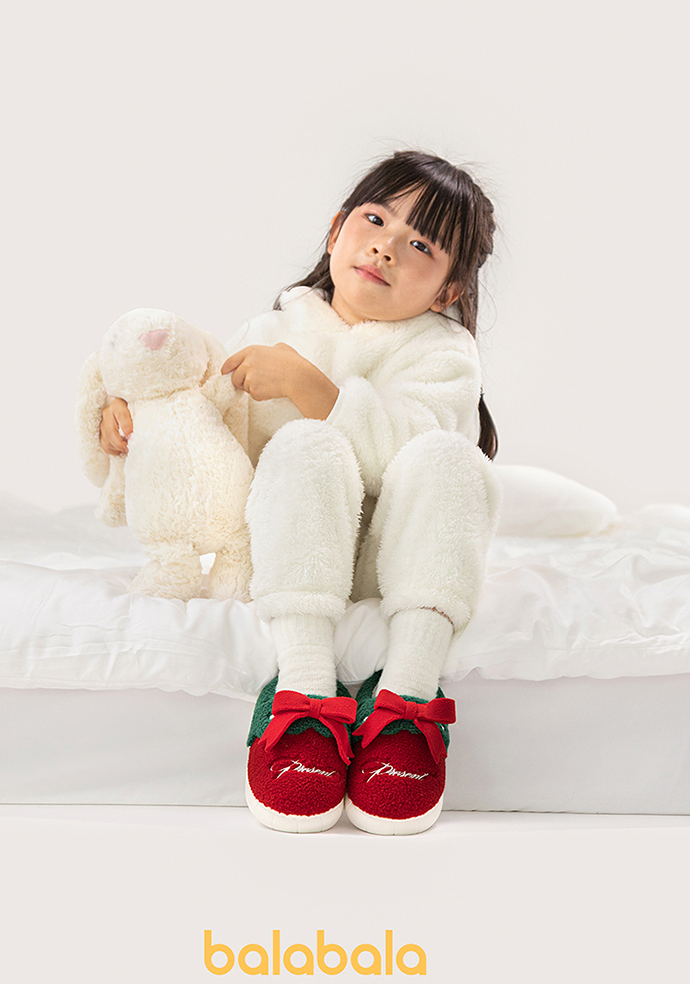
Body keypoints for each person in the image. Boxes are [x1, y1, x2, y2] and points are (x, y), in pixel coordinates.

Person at [98, 150, 502, 837]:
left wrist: (310, 386)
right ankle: (303, 690)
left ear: (447, 290)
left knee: (449, 457)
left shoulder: (443, 354)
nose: (386, 246)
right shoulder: (273, 333)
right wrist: (139, 414)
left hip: (390, 563)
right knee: (303, 446)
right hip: (294, 558)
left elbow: (407, 448)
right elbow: (206, 428)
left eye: (421, 245)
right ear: (337, 229)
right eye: (375, 220)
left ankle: (406, 697)